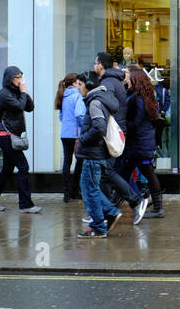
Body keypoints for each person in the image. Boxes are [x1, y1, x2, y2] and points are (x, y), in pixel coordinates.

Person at [74, 74, 129, 236]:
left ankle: (99, 225)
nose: (77, 87)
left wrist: (83, 139)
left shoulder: (95, 103)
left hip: (93, 154)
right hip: (97, 153)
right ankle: (109, 214)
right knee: (91, 189)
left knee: (89, 190)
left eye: (80, 84)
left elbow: (99, 127)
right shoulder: (100, 100)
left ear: (88, 85)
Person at [0, 65, 39, 213]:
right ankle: (25, 204)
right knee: (23, 167)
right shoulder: (5, 94)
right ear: (10, 79)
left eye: (21, 77)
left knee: (7, 170)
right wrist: (23, 92)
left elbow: (29, 107)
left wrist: (24, 93)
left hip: (12, 136)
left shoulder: (15, 92)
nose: (20, 80)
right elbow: (20, 106)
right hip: (7, 136)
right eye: (17, 77)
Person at [124, 66, 166, 219]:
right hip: (141, 143)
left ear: (134, 78)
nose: (125, 78)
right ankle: (150, 205)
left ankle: (145, 205)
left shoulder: (138, 99)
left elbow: (135, 123)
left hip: (138, 144)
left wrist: (122, 125)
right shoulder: (142, 96)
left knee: (128, 174)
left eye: (127, 75)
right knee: (130, 174)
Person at [57, 72, 86, 203]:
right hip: (76, 135)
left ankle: (66, 194)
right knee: (79, 162)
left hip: (65, 133)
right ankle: (75, 191)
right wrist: (83, 126)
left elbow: (61, 117)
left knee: (66, 162)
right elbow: (80, 114)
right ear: (74, 83)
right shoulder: (77, 96)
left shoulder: (63, 96)